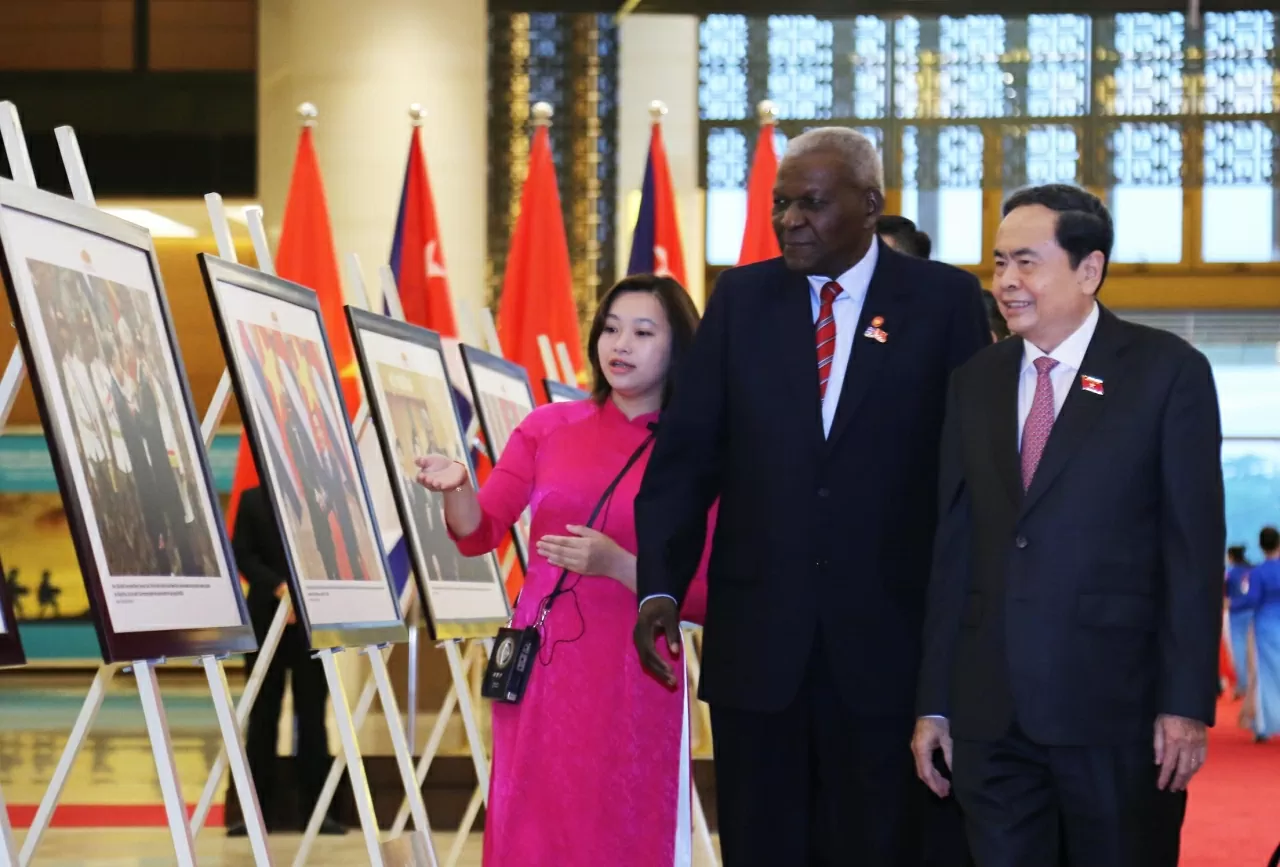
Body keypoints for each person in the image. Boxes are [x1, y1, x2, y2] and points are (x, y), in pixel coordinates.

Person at [633, 127, 990, 866]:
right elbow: (686, 457)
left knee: (878, 846)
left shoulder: (942, 299)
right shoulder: (741, 297)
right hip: (760, 649)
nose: (790, 219)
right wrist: (658, 585)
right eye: (781, 202)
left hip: (888, 648)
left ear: (869, 206)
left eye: (813, 203)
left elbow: (968, 472)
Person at [912, 183, 1224, 867]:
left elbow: (1191, 552)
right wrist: (934, 701)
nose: (1006, 281)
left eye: (1027, 261)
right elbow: (955, 546)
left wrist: (1185, 702)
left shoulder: (1167, 374)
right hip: (991, 714)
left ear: (1089, 269)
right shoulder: (975, 381)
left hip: (1116, 711)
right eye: (998, 263)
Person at [415, 274, 711, 867]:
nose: (619, 344)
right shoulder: (548, 427)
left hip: (635, 668)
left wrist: (622, 566)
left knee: (620, 828)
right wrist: (458, 487)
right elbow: (480, 531)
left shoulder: (699, 449)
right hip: (542, 665)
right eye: (610, 328)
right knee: (532, 824)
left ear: (677, 345)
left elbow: (708, 593)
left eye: (643, 331)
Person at [226, 485, 345, 837]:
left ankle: (319, 813)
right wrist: (280, 588)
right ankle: (256, 815)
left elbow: (332, 551)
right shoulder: (252, 498)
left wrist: (305, 593)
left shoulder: (321, 495)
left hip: (312, 621)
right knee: (262, 717)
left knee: (312, 718)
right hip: (266, 620)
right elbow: (242, 554)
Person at [1251, 526, 1280, 744]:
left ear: (1261, 546)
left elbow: (1253, 599)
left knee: (1266, 674)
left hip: (1266, 625)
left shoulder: (1258, 572)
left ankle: (1265, 726)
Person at [1225, 545, 1257, 701]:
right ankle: (1255, 686)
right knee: (1254, 651)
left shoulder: (1230, 574)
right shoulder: (1251, 570)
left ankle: (1243, 685)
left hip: (1237, 615)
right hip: (1254, 613)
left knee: (1239, 650)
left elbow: (1225, 595)